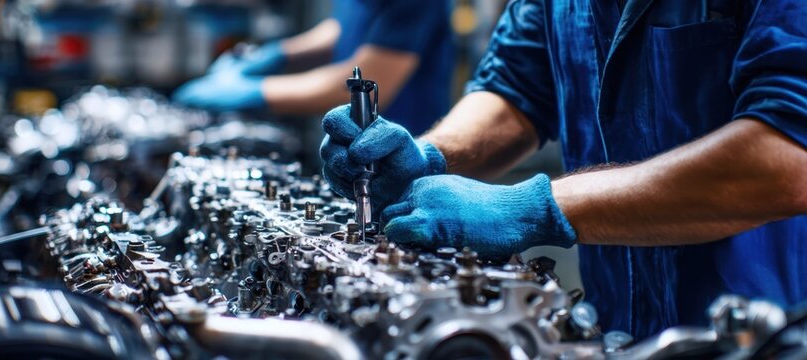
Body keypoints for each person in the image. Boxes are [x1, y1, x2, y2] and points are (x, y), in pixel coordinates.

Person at [320, 0, 807, 339]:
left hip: (764, 326)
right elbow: (516, 88)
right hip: (612, 319)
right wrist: (429, 156)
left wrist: (534, 207)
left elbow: (786, 156)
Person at [173, 0, 454, 136]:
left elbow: (367, 84)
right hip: (351, 145)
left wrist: (255, 92)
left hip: (402, 148)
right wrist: (278, 55)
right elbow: (343, 27)